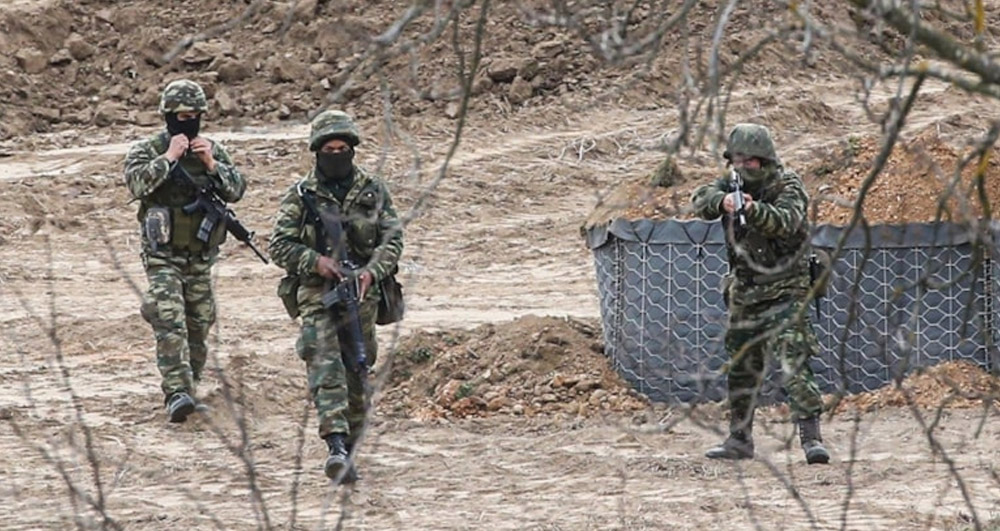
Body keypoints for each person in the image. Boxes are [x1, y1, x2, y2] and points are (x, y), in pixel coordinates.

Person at [269, 110, 403, 483]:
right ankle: (336, 444)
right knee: (324, 363)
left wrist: (370, 272)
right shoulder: (302, 194)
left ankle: (351, 448)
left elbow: (392, 239)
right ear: (317, 152)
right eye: (329, 149)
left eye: (343, 148)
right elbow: (279, 245)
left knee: (357, 370)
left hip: (362, 296)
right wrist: (316, 262)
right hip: (318, 293)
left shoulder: (372, 190)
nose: (337, 154)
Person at [690, 123, 830, 465]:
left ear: (765, 160)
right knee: (741, 366)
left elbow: (786, 220)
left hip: (787, 288)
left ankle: (811, 439)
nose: (742, 167)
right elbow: (699, 199)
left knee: (794, 361)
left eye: (749, 162)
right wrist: (722, 201)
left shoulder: (788, 184)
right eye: (737, 160)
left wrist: (753, 210)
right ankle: (739, 438)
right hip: (747, 289)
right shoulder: (730, 183)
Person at [124, 79, 247, 423]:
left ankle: (189, 388)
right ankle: (176, 392)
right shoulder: (148, 150)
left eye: (193, 115)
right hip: (163, 255)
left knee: (199, 322)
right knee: (170, 318)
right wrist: (169, 157)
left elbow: (237, 189)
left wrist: (210, 163)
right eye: (180, 116)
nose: (186, 121)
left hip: (200, 256)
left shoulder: (211, 150)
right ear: (167, 116)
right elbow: (136, 183)